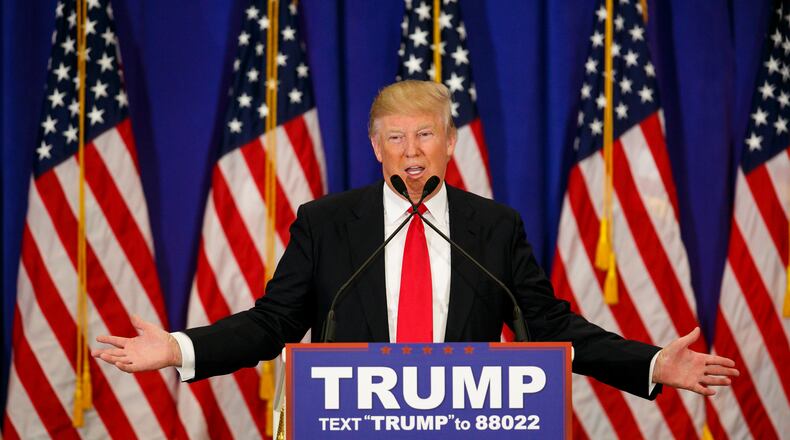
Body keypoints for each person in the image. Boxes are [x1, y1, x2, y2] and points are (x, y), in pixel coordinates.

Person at [94, 80, 737, 399]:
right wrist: (178, 349)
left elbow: (550, 327)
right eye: (395, 138)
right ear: (375, 148)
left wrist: (653, 363)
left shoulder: (494, 227)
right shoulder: (326, 222)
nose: (411, 151)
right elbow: (273, 323)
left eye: (425, 135)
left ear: (450, 143)